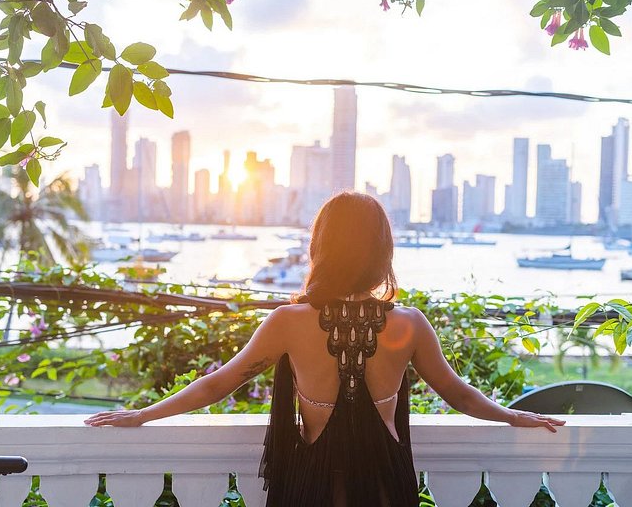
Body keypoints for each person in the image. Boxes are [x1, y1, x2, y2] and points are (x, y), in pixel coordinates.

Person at [84, 191, 565, 506]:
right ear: (382, 251)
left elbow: (219, 384)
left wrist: (142, 414)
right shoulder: (409, 324)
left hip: (314, 481)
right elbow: (458, 395)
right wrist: (514, 416)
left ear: (321, 247)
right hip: (385, 483)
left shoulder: (289, 322)